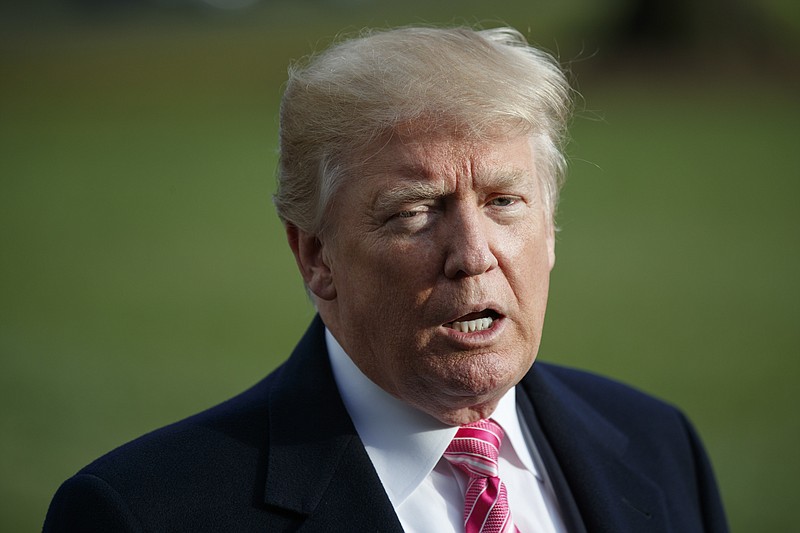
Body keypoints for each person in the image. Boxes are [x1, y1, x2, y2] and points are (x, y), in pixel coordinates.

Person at [44, 26, 728, 532]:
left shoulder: (660, 444)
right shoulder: (139, 513)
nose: (472, 254)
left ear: (549, 232)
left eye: (503, 202)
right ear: (316, 257)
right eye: (414, 211)